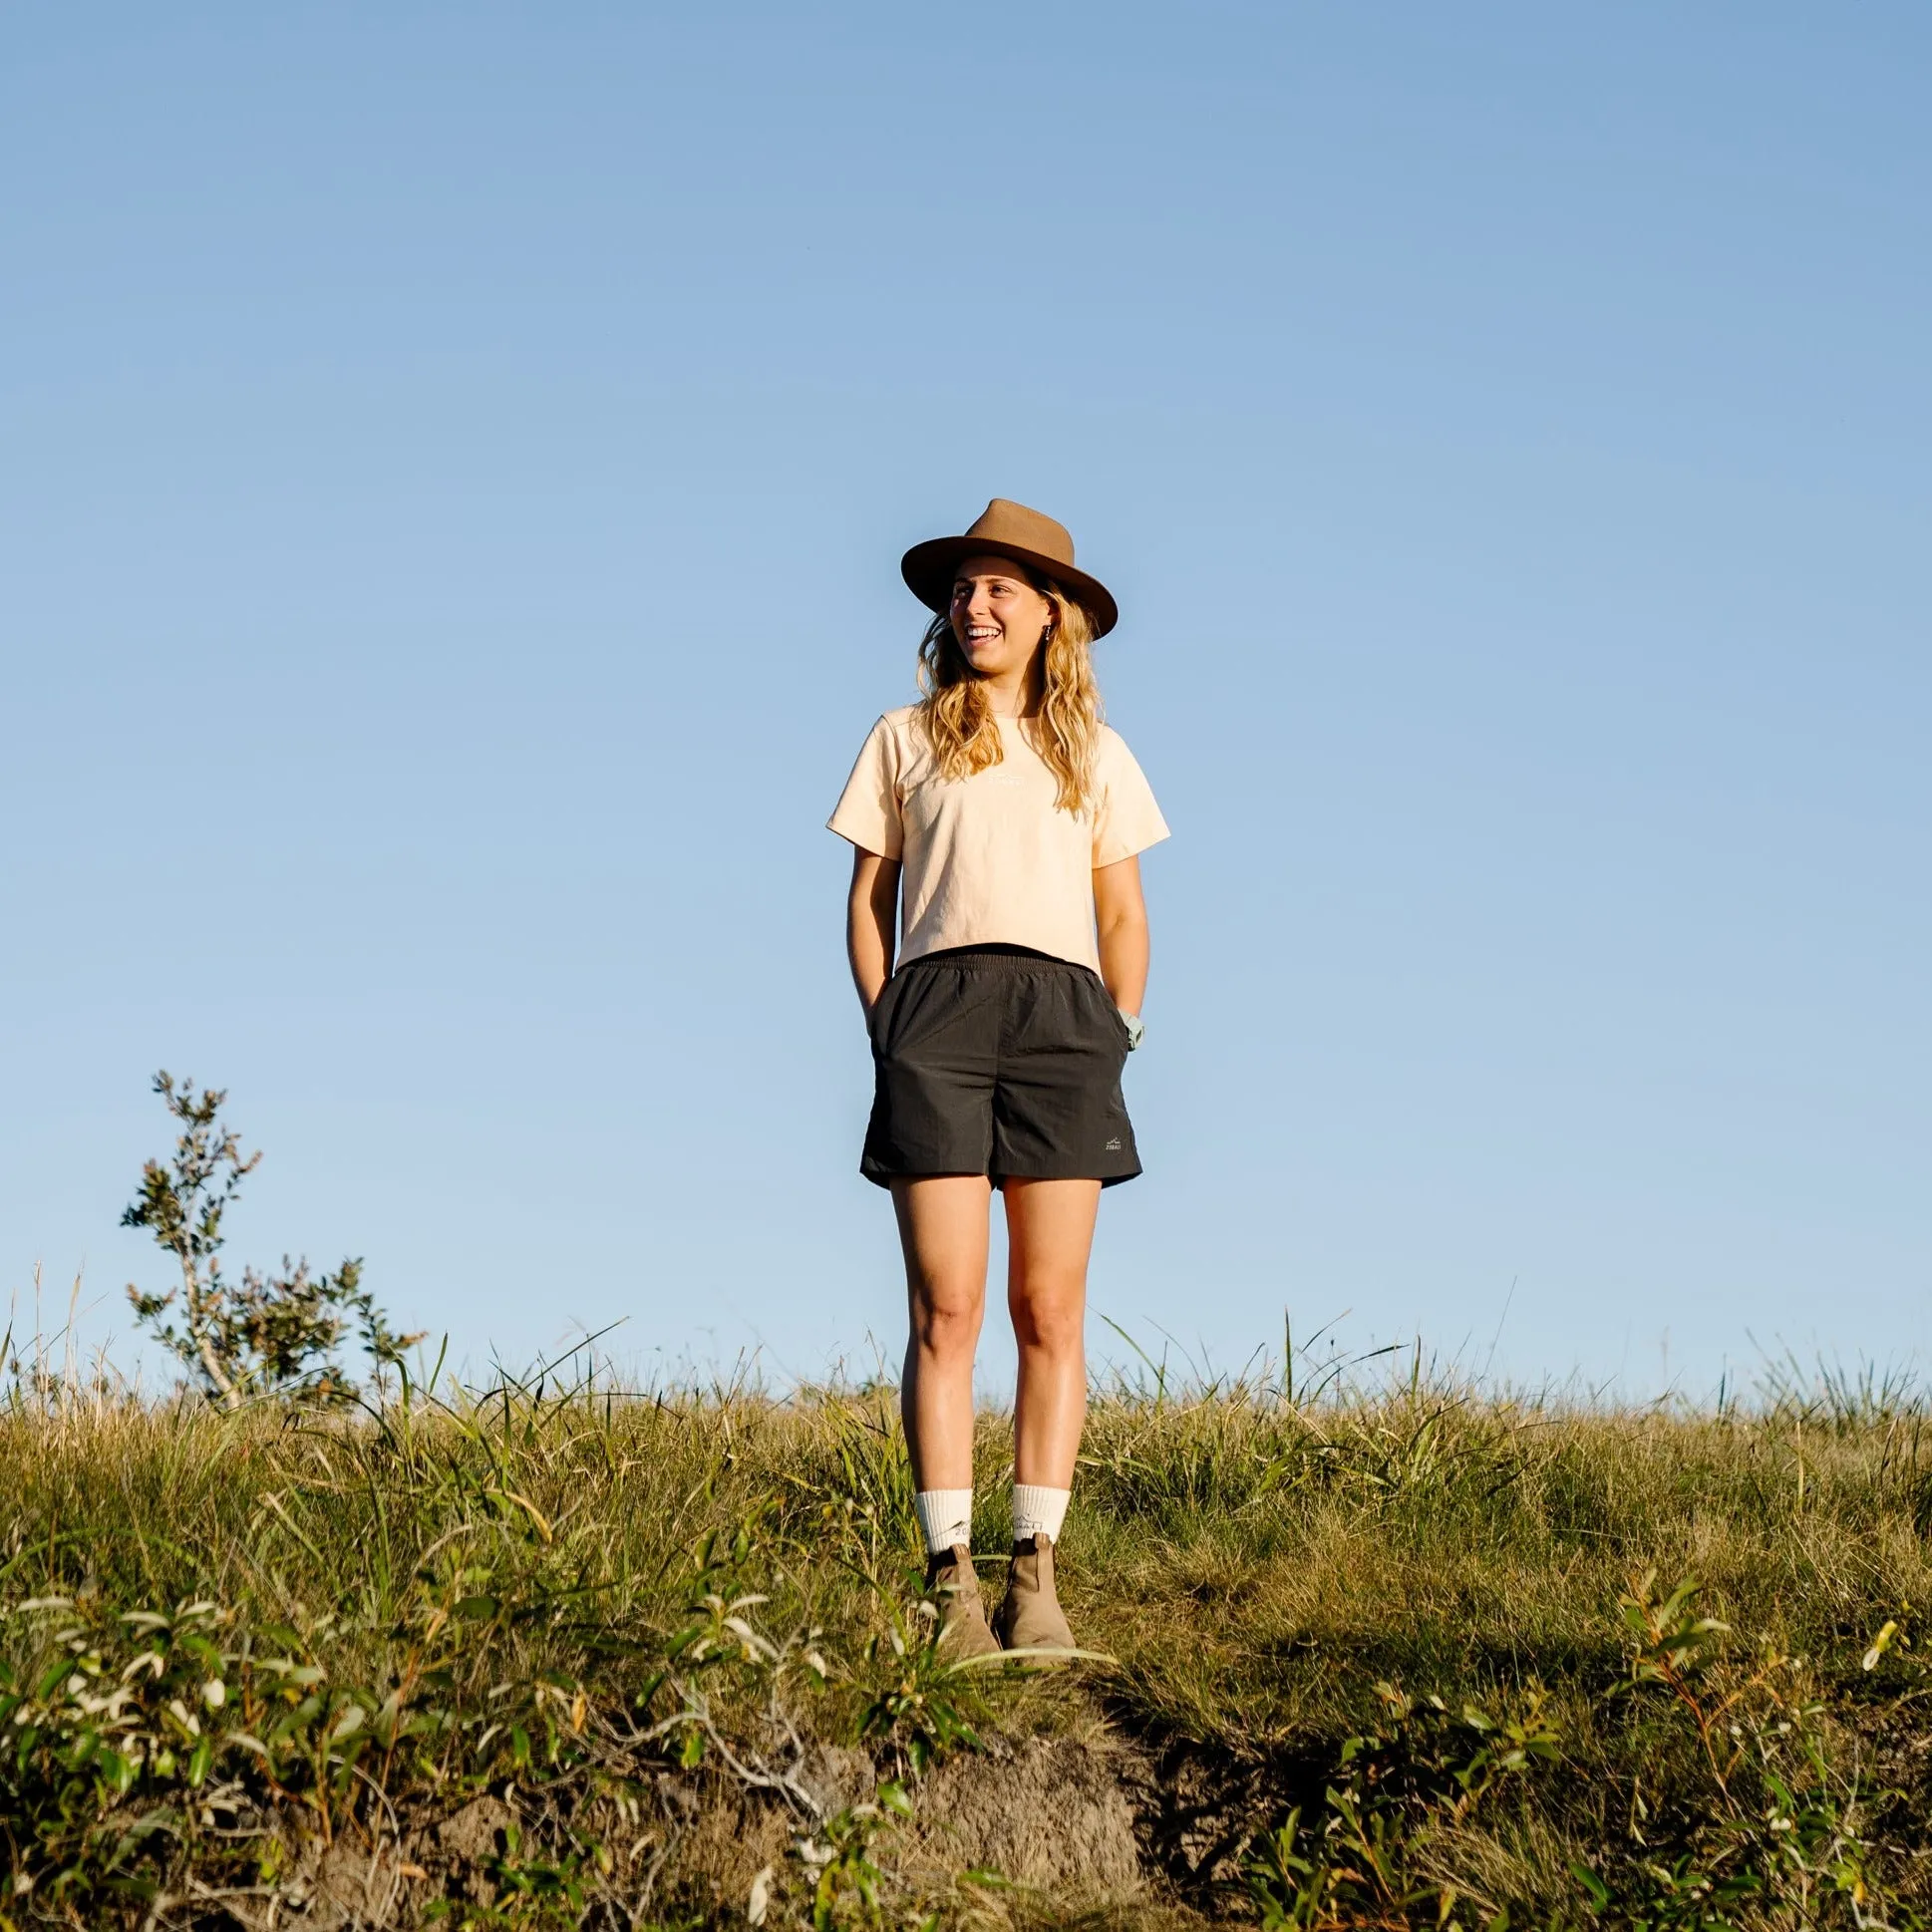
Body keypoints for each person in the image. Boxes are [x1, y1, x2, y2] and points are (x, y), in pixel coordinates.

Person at [828, 499, 1169, 1657]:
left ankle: (1039, 1581)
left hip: (1066, 1023)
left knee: (1050, 1308)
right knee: (950, 1308)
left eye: (998, 591)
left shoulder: (1098, 755)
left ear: (1049, 616)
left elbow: (1125, 913)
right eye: (961, 591)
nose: (973, 607)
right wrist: (891, 1029)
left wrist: (1117, 1028)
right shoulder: (903, 737)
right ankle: (950, 1587)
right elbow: (868, 905)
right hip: (938, 1014)